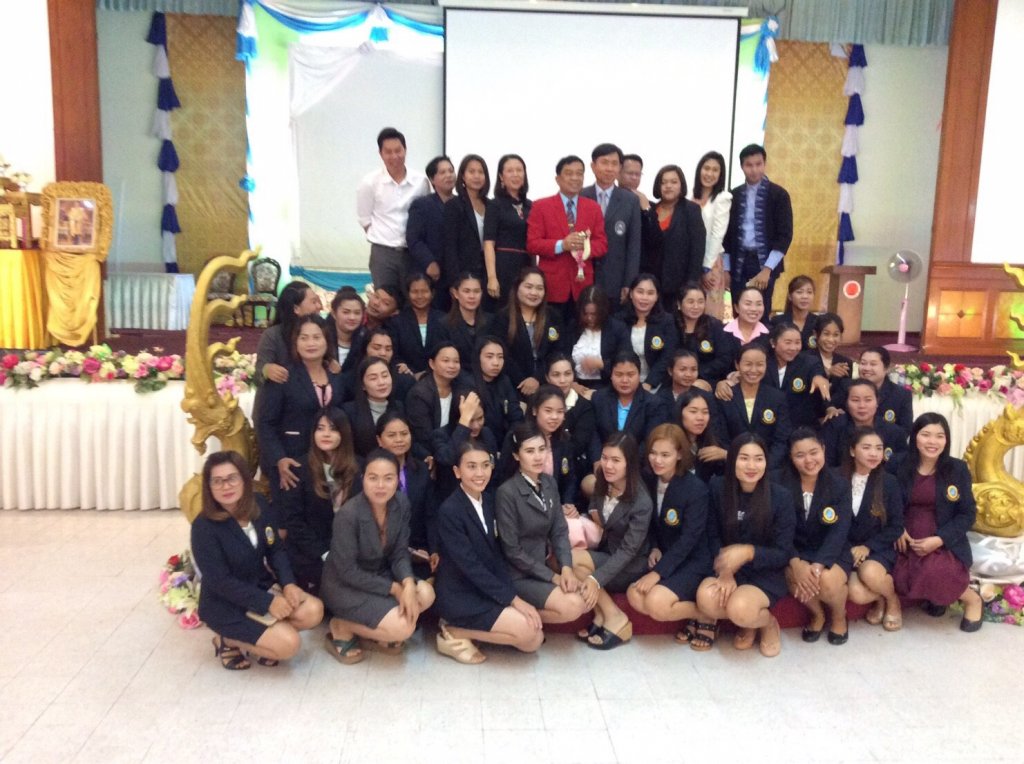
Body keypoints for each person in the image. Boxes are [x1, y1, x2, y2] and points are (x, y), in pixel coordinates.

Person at [192, 451, 323, 670]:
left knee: (313, 610)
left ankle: (263, 639)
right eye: (218, 481)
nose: (226, 486)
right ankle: (226, 640)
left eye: (232, 478)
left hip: (259, 585)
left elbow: (276, 550)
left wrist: (288, 584)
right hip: (226, 602)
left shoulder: (258, 504)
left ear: (244, 479)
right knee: (289, 644)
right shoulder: (203, 527)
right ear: (209, 486)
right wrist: (268, 603)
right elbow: (220, 581)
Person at [434, 441, 545, 664]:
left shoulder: (490, 500)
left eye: (485, 465)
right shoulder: (450, 511)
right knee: (529, 634)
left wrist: (509, 594)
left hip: (486, 589)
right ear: (457, 471)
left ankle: (474, 632)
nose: (480, 473)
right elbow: (471, 567)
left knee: (533, 641)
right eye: (471, 466)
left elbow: (497, 555)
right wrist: (513, 600)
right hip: (461, 593)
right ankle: (454, 630)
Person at [321, 450, 436, 664]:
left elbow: (400, 552)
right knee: (404, 628)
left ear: (397, 479)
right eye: (373, 478)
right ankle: (342, 626)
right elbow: (347, 571)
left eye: (388, 478)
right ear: (363, 478)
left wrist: (407, 584)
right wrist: (395, 589)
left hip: (379, 573)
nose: (380, 486)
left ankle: (375, 629)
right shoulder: (349, 515)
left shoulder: (401, 503)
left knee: (425, 594)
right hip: (344, 585)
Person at [693, 434, 795, 657]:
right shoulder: (717, 487)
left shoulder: (781, 497)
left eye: (758, 459)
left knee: (740, 608)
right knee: (706, 598)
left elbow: (783, 552)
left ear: (766, 462)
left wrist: (749, 552)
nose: (751, 466)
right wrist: (725, 570)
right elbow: (711, 536)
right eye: (744, 458)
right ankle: (748, 622)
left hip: (764, 572)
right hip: (727, 569)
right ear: (732, 460)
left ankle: (766, 623)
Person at [893, 413, 983, 632]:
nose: (932, 441)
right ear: (915, 436)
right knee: (896, 574)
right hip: (904, 536)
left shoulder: (957, 469)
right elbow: (884, 501)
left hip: (942, 536)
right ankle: (936, 598)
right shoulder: (897, 463)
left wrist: (940, 539)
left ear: (947, 440)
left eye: (939, 436)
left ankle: (972, 600)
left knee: (935, 570)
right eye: (926, 435)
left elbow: (967, 513)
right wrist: (896, 528)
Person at [496, 422, 591, 623]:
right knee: (574, 605)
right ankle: (512, 618)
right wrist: (552, 576)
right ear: (516, 455)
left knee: (582, 594)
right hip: (518, 574)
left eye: (542, 449)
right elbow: (512, 551)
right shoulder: (507, 492)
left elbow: (559, 530)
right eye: (530, 451)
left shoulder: (549, 482)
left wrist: (566, 567)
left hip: (544, 565)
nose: (538, 457)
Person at [627, 424, 711, 645]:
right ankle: (696, 613)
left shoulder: (695, 489)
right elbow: (650, 522)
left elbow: (689, 539)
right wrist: (654, 546)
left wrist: (658, 573)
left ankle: (707, 616)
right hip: (664, 553)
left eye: (665, 455)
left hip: (692, 559)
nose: (657, 460)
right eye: (653, 453)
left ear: (680, 455)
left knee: (657, 604)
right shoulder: (648, 478)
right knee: (634, 594)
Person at [573, 433, 653, 649]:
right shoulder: (603, 477)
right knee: (567, 562)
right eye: (605, 457)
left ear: (630, 463)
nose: (608, 465)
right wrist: (590, 513)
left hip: (630, 564)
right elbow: (595, 505)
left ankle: (615, 617)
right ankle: (601, 615)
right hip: (607, 550)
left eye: (616, 460)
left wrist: (596, 579)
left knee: (574, 562)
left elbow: (628, 551)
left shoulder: (641, 501)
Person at [256, 315, 345, 502]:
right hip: (292, 462)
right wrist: (279, 458)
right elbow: (265, 423)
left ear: (327, 341)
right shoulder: (283, 375)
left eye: (316, 337)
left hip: (330, 461)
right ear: (295, 342)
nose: (310, 343)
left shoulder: (335, 374)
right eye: (304, 338)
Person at [776, 428, 852, 645]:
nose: (809, 461)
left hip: (830, 549)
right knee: (794, 577)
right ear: (791, 458)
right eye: (800, 455)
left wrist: (819, 564)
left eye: (814, 452)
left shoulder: (839, 484)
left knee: (827, 582)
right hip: (794, 550)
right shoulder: (778, 483)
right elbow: (778, 530)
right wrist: (795, 561)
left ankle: (839, 616)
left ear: (824, 450)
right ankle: (817, 615)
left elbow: (840, 530)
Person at [280, 408, 359, 593]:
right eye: (320, 428)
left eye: (333, 428)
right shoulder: (298, 469)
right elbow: (294, 522)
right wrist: (325, 553)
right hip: (312, 555)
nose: (326, 434)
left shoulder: (359, 467)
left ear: (344, 433)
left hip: (351, 551)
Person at [527, 155, 608, 324]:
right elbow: (532, 244)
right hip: (553, 285)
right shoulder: (540, 206)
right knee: (551, 330)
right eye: (569, 173)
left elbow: (602, 244)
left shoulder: (593, 208)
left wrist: (584, 247)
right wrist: (562, 245)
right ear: (558, 179)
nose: (575, 178)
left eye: (579, 173)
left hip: (583, 284)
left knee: (580, 330)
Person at [841, 427, 905, 632]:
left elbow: (896, 526)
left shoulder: (889, 482)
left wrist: (868, 547)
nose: (874, 453)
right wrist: (849, 549)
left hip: (878, 547)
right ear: (852, 450)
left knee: (870, 573)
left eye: (879, 448)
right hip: (845, 548)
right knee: (856, 594)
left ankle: (892, 600)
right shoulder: (835, 478)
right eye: (866, 447)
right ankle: (879, 599)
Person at [722, 144, 793, 319]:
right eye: (749, 165)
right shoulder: (734, 195)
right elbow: (727, 237)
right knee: (739, 309)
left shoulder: (779, 195)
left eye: (758, 164)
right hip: (738, 262)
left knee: (760, 311)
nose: (754, 170)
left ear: (765, 164)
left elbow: (785, 235)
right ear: (742, 166)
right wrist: (726, 269)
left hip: (765, 262)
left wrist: (767, 269)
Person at [356, 127, 429, 289]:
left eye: (398, 150)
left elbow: (425, 216)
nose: (394, 156)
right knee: (385, 299)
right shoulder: (369, 182)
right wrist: (383, 238)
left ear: (405, 150)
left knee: (414, 299)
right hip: (383, 254)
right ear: (380, 154)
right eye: (388, 152)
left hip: (413, 253)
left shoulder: (421, 182)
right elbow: (364, 219)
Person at [376, 413, 436, 579]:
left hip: (420, 550)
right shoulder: (372, 474)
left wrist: (434, 550)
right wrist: (408, 552)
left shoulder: (422, 470)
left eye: (404, 434)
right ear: (379, 440)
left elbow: (430, 515)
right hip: (383, 555)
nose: (399, 440)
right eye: (391, 435)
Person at [489, 266, 565, 398]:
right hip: (513, 385)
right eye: (528, 287)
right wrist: (523, 381)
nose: (534, 293)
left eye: (539, 288)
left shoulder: (553, 316)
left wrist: (538, 378)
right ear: (517, 287)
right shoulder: (503, 318)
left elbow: (557, 352)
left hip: (547, 384)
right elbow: (503, 354)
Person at [497, 386, 578, 508]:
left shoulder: (564, 439)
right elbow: (504, 475)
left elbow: (569, 478)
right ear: (535, 410)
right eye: (548, 411)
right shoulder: (518, 436)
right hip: (521, 505)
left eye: (560, 411)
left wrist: (568, 503)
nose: (554, 417)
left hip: (556, 506)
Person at [714, 342, 792, 469]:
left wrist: (764, 465)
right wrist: (738, 462)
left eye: (760, 364)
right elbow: (721, 437)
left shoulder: (777, 398)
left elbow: (781, 440)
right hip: (732, 468)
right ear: (737, 365)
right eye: (748, 364)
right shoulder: (725, 396)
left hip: (769, 469)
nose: (754, 370)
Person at [582, 143, 642, 305]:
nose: (609, 168)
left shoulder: (630, 200)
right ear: (593, 166)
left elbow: (633, 245)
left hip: (615, 281)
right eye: (604, 163)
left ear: (620, 168)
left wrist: (629, 282)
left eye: (614, 164)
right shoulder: (581, 196)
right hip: (583, 277)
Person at [640, 164, 706, 310]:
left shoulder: (691, 210)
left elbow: (697, 250)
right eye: (664, 182)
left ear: (681, 185)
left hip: (679, 285)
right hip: (652, 285)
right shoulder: (650, 210)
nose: (668, 186)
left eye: (673, 182)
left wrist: (690, 286)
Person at [589, 351, 668, 467]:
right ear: (611, 375)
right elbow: (593, 435)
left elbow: (649, 441)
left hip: (637, 466)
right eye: (619, 375)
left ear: (639, 375)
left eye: (630, 375)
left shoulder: (654, 404)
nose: (624, 380)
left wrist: (626, 465)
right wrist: (598, 461)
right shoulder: (599, 398)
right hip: (604, 464)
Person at [820, 379, 907, 469]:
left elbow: (901, 467)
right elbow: (827, 466)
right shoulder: (834, 427)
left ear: (877, 402)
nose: (862, 406)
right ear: (846, 403)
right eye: (855, 400)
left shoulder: (894, 432)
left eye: (868, 400)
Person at [483, 154, 533, 308]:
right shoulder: (494, 205)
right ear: (501, 176)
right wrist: (492, 277)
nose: (515, 174)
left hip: (525, 265)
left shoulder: (531, 206)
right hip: (503, 266)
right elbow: (488, 243)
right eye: (510, 171)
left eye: (519, 170)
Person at [761, 322, 830, 430]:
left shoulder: (809, 362)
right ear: (773, 343)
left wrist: (819, 378)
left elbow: (818, 374)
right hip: (768, 425)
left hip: (800, 428)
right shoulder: (763, 362)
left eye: (797, 342)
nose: (793, 348)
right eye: (788, 343)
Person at [405, 342, 468, 457]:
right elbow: (424, 437)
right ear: (432, 364)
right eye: (446, 361)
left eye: (456, 361)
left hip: (453, 447)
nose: (452, 365)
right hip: (428, 452)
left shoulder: (460, 388)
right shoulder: (419, 394)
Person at [255, 280, 324, 385]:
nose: (319, 307)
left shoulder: (322, 331)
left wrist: (330, 363)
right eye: (314, 302)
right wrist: (267, 370)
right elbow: (259, 372)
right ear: (296, 308)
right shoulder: (273, 335)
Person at [407, 155, 456, 297]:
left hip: (455, 274)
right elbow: (414, 239)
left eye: (451, 171)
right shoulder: (422, 205)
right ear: (432, 179)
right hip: (430, 274)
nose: (449, 175)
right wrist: (429, 262)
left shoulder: (462, 204)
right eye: (442, 172)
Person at [617, 273, 677, 389]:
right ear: (631, 294)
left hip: (657, 383)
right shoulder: (619, 320)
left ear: (657, 296)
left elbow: (667, 356)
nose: (644, 297)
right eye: (640, 292)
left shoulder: (666, 321)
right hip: (624, 382)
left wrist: (649, 383)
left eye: (650, 293)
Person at [692, 151, 733, 319]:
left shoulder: (723, 198)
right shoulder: (691, 197)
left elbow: (717, 234)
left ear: (720, 174)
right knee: (691, 308)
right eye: (706, 168)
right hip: (692, 261)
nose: (709, 173)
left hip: (711, 262)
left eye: (715, 170)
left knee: (709, 312)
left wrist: (706, 267)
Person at [342, 356, 406, 458]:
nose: (381, 382)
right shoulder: (349, 411)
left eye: (385, 376)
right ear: (363, 385)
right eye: (373, 378)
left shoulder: (399, 407)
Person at [676, 283, 739, 386]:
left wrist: (697, 373)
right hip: (676, 379)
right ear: (679, 304)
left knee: (697, 386)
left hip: (707, 379)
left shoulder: (714, 325)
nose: (696, 306)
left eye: (700, 302)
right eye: (690, 302)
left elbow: (724, 358)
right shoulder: (671, 325)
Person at [545, 353, 597, 479]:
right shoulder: (538, 402)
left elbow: (577, 446)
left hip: (572, 467)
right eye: (556, 375)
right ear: (547, 377)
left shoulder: (584, 407)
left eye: (567, 374)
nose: (562, 380)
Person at [443, 154, 491, 287]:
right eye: (472, 172)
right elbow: (450, 246)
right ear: (463, 176)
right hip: (463, 270)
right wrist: (455, 280)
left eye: (481, 172)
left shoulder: (491, 205)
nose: (477, 176)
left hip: (488, 271)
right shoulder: (454, 205)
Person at [389, 273, 449, 377]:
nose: (420, 296)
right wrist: (406, 369)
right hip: (407, 376)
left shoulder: (444, 319)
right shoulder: (396, 322)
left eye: (424, 291)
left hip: (439, 375)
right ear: (408, 294)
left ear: (432, 293)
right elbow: (394, 354)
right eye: (415, 292)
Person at [570, 284, 629, 387]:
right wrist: (572, 384)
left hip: (607, 386)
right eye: (585, 314)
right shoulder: (573, 326)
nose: (589, 318)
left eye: (594, 314)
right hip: (575, 385)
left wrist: (601, 364)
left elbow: (626, 360)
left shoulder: (617, 328)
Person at [473, 335, 524, 446]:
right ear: (478, 358)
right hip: (477, 444)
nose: (496, 362)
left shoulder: (505, 381)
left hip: (505, 442)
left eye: (500, 357)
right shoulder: (468, 382)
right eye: (489, 357)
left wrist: (508, 444)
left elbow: (516, 417)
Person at [343, 326, 415, 404]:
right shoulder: (348, 380)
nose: (383, 353)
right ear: (365, 349)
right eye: (376, 348)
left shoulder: (405, 380)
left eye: (388, 349)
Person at [676, 389, 727, 483]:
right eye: (693, 411)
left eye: (705, 412)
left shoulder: (714, 443)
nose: (700, 418)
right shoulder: (670, 443)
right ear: (680, 413)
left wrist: (726, 455)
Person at [445, 272, 491, 369]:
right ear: (455, 293)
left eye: (476, 291)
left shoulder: (491, 321)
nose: (472, 296)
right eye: (466, 291)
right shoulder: (444, 324)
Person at [809, 312, 853, 402]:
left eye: (836, 335)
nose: (831, 339)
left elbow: (844, 394)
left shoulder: (845, 362)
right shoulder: (805, 358)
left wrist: (832, 407)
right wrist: (828, 373)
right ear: (815, 334)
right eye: (826, 334)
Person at [770, 275, 819, 351]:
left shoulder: (818, 322)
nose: (805, 296)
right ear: (790, 296)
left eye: (809, 292)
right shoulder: (777, 321)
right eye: (799, 292)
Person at [329, 286, 366, 375]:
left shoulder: (366, 340)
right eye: (346, 312)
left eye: (357, 313)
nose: (352, 317)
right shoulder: (322, 339)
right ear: (334, 314)